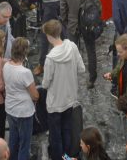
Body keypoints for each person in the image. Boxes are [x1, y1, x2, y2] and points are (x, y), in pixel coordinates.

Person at [41, 19, 85, 160]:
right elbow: (82, 69)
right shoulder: (72, 46)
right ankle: (67, 157)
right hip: (70, 98)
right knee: (67, 129)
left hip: (55, 103)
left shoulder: (50, 59)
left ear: (48, 35)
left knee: (55, 136)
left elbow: (46, 84)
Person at [61, 0, 100, 87]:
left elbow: (63, 8)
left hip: (72, 24)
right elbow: (98, 8)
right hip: (88, 25)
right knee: (91, 51)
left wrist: (66, 22)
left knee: (71, 51)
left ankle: (71, 77)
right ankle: (91, 79)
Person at [4, 37, 39, 160]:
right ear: (24, 52)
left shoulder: (6, 65)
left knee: (13, 139)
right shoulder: (25, 72)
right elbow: (35, 95)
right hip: (24, 112)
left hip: (10, 109)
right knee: (25, 143)